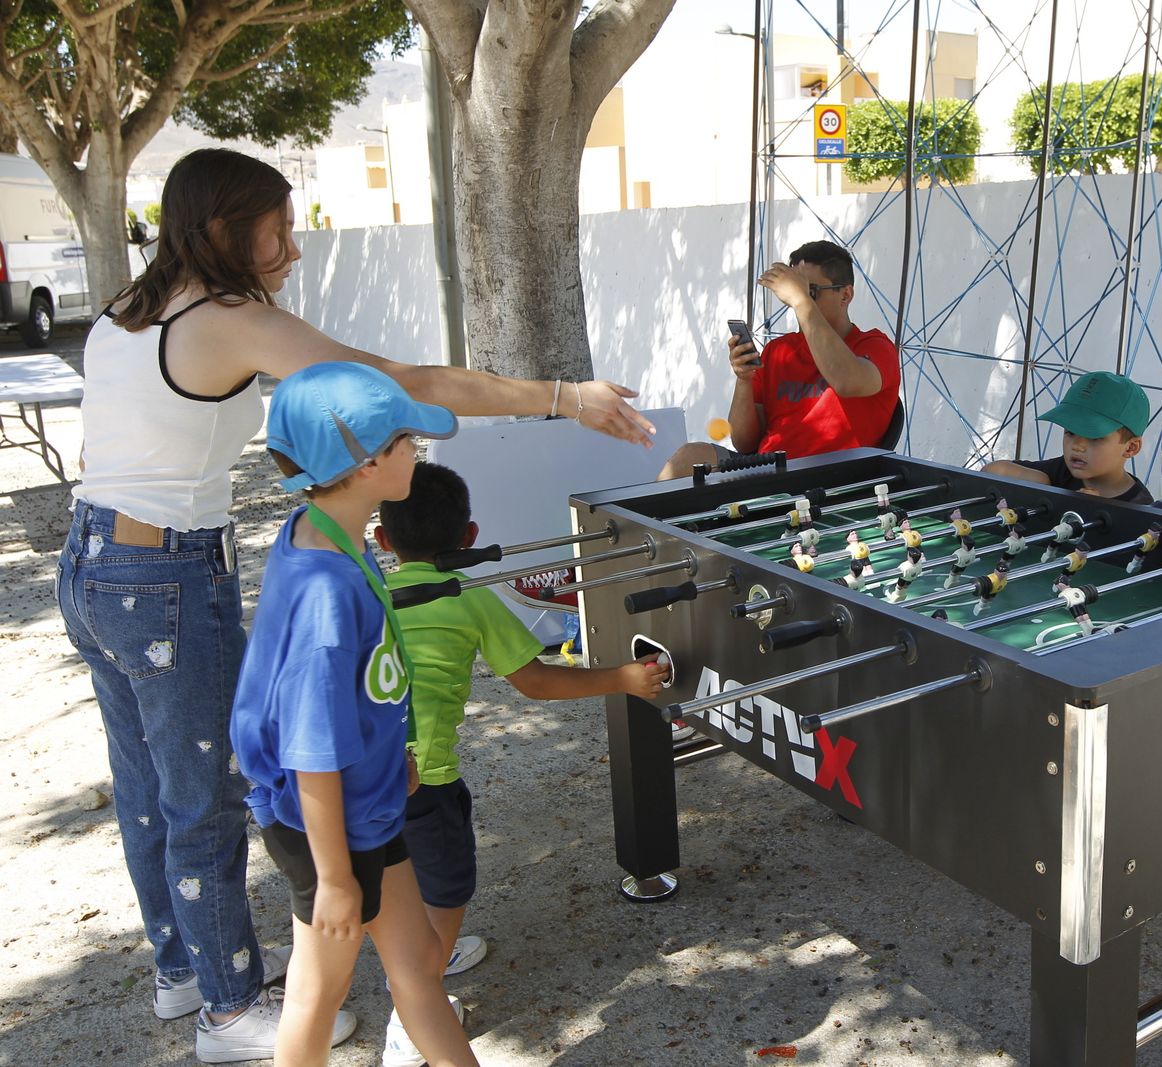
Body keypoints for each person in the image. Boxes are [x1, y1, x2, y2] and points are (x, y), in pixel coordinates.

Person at [54, 147, 653, 1061]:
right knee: (202, 797)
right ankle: (224, 1006)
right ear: (224, 228)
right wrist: (563, 396)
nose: (291, 249)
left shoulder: (124, 312)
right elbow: (400, 381)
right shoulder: (227, 321)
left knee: (147, 786)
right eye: (278, 228)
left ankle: (182, 967)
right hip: (165, 572)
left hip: (91, 559)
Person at [371, 460, 668, 1066]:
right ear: (470, 535)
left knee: (390, 876)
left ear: (382, 540)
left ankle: (415, 962)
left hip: (360, 772)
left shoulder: (367, 590)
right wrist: (625, 679)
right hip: (423, 779)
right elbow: (535, 683)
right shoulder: (470, 598)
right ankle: (414, 1006)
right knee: (448, 888)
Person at [230, 361, 476, 1067]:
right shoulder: (326, 596)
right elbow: (311, 746)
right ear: (368, 464)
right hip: (325, 829)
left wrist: (385, 747)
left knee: (419, 961)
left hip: (362, 807)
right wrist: (336, 878)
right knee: (318, 993)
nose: (416, 453)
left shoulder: (327, 525)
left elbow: (353, 692)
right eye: (406, 441)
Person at [657, 239, 899, 479]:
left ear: (845, 295)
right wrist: (744, 379)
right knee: (686, 459)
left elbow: (846, 381)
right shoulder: (779, 350)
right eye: (793, 291)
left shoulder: (876, 346)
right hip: (768, 472)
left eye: (809, 291)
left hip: (829, 479)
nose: (795, 302)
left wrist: (801, 301)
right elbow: (743, 442)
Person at [983, 370, 1156, 504]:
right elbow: (992, 471)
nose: (1077, 446)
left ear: (1130, 447)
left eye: (1094, 437)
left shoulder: (1143, 508)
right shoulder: (1059, 472)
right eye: (1070, 433)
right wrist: (1048, 492)